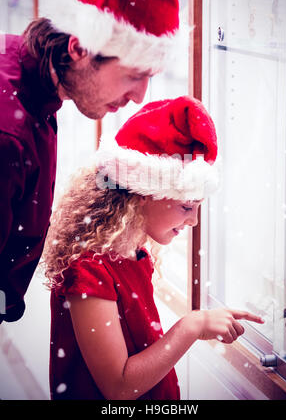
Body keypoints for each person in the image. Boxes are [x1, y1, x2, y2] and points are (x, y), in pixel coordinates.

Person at [42, 96, 264, 400]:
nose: (194, 221)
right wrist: (193, 326)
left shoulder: (136, 253)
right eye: (187, 206)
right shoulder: (89, 270)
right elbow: (118, 387)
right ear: (144, 194)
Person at [0, 0, 179, 323]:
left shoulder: (30, 84)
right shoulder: (8, 134)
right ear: (79, 47)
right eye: (134, 74)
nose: (139, 97)